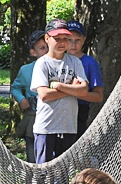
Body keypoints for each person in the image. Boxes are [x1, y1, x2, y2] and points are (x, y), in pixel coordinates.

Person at [30, 19, 89, 164]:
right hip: (46, 128)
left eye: (65, 39)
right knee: (43, 173)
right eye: (57, 38)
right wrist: (71, 88)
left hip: (68, 127)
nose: (62, 42)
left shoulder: (75, 62)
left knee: (62, 174)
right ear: (47, 38)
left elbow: (84, 91)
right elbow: (44, 95)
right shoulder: (42, 63)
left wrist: (58, 86)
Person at [10, 30, 47, 163]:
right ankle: (34, 181)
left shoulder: (59, 68)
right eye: (42, 48)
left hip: (52, 121)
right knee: (32, 157)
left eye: (48, 46)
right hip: (33, 118)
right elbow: (15, 87)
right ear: (33, 52)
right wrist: (21, 99)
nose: (46, 51)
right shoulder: (25, 70)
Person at [65, 20, 103, 143]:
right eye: (69, 40)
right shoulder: (57, 60)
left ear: (84, 40)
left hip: (80, 110)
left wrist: (78, 92)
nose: (73, 44)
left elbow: (98, 96)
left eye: (77, 40)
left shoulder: (90, 63)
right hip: (59, 110)